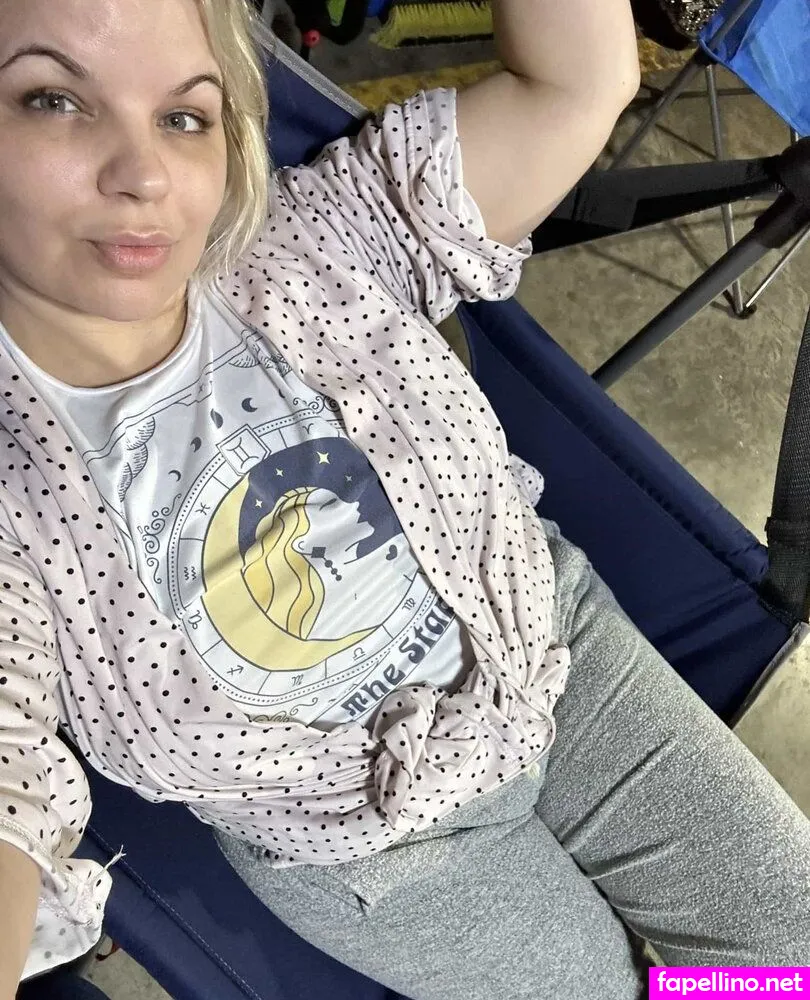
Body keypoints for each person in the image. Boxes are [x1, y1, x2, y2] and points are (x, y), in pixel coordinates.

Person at [0, 1, 807, 998]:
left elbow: (577, 82)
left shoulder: (318, 242)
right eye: (53, 99)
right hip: (372, 839)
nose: (146, 174)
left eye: (184, 116)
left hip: (551, 657)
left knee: (792, 963)